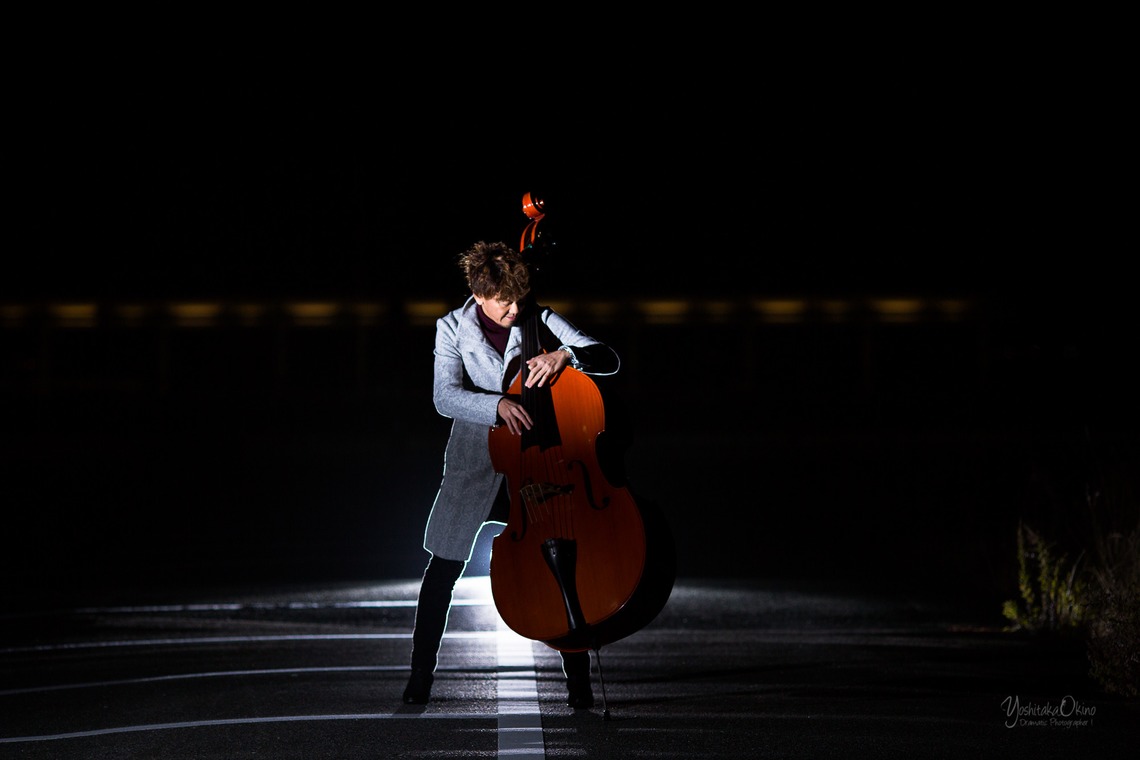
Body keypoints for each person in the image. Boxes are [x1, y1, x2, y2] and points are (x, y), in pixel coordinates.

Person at [402, 239, 620, 709]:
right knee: (442, 569)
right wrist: (496, 404)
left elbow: (606, 357)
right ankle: (420, 675)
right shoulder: (450, 329)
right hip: (475, 462)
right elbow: (444, 398)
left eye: (520, 296)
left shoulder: (538, 317)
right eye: (505, 300)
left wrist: (565, 356)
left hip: (538, 463)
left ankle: (578, 684)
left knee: (564, 561)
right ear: (479, 295)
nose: (515, 308)